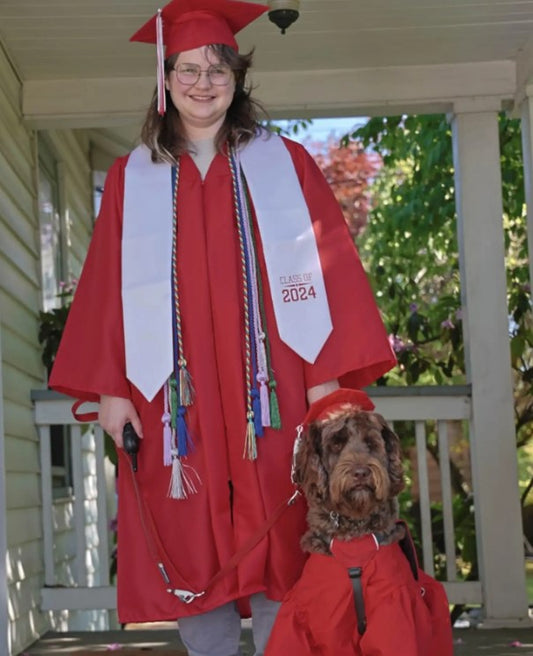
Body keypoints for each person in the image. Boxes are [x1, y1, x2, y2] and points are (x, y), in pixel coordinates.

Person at [49, 1, 396, 654]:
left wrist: (325, 387)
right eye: (187, 68)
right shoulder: (133, 179)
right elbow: (102, 293)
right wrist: (113, 391)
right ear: (164, 78)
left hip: (276, 394)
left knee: (283, 532)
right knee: (190, 539)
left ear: (238, 78)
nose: (202, 82)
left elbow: (330, 275)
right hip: (174, 403)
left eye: (217, 68)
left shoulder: (283, 164)